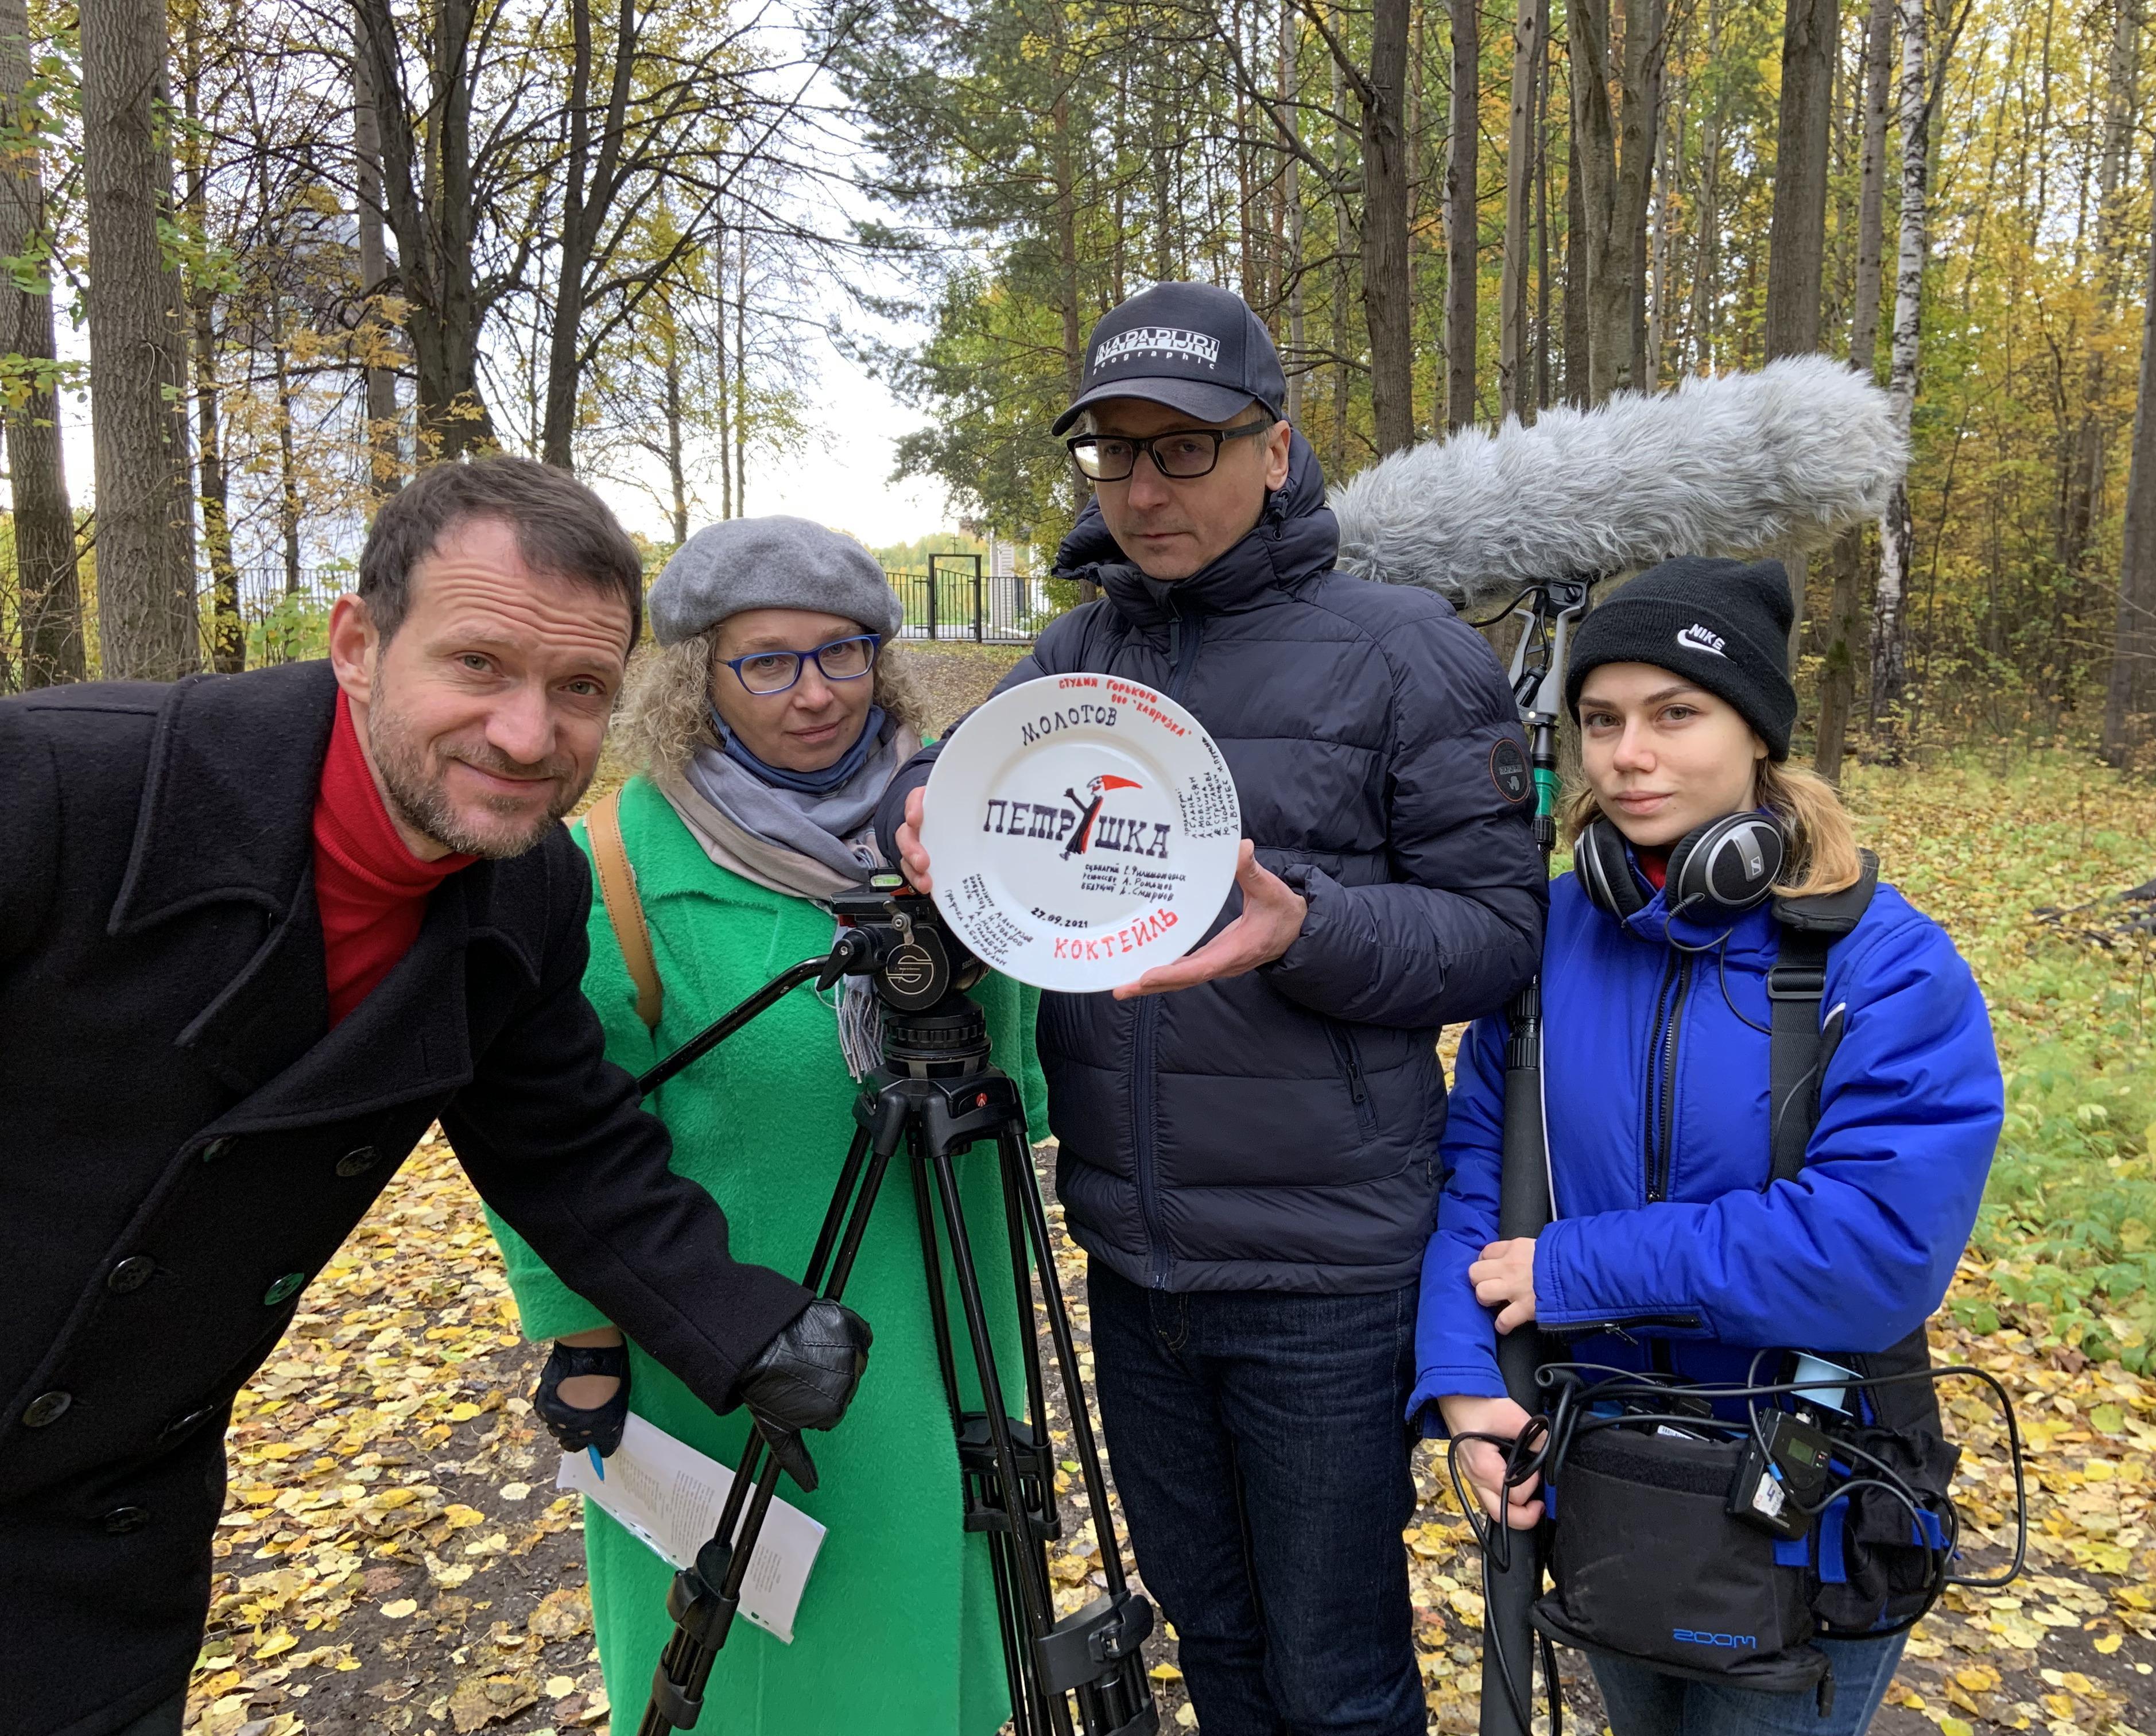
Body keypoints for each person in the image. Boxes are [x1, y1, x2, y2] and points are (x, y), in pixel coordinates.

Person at [0, 460, 870, 1736]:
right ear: (359, 645)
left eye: (579, 689)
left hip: (97, 1533)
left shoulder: (525, 888)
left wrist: (749, 1330)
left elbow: (560, 1144)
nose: (526, 736)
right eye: (478, 665)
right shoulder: (55, 789)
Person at [881, 281, 1550, 1736]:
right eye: (1113, 453)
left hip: (1324, 1271)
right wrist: (917, 812)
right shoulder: (1075, 660)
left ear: (1275, 449)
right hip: (1134, 1257)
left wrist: (1308, 928)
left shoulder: (1406, 652)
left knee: (1336, 1673)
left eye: (1184, 449)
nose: (1143, 489)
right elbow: (946, 782)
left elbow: (1500, 937)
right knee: (1216, 1641)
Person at [1412, 556, 2004, 1735]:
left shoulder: (1886, 965)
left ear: (1757, 734)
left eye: (1675, 714)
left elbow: (1878, 1249)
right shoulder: (1547, 938)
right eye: (1601, 720)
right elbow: (1476, 1171)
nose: (1629, 756)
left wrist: (1577, 1268)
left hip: (1814, 1516)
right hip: (1602, 1485)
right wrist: (1465, 1380)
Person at [481, 517, 1048, 1736]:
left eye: (845, 653)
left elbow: (1023, 1093)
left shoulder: (958, 832)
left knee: (929, 1650)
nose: (817, 692)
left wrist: (993, 920)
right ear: (699, 679)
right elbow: (543, 1131)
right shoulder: (617, 867)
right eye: (769, 662)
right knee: (763, 1673)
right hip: (737, 1356)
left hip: (947, 1332)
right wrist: (581, 1339)